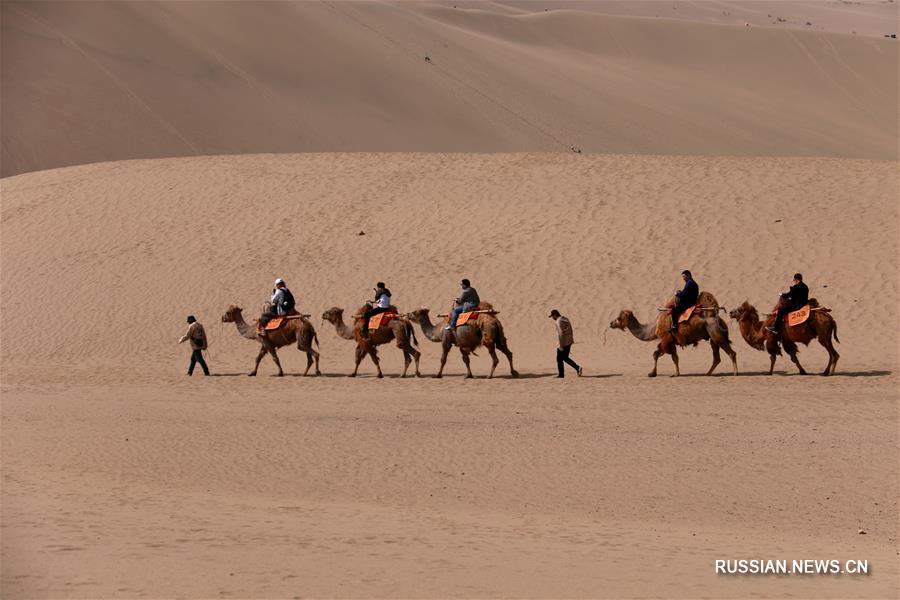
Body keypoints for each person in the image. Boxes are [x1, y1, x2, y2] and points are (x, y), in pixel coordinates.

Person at [550, 309, 582, 378]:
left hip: (563, 342)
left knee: (559, 359)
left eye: (552, 316)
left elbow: (560, 334)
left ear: (555, 315)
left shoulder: (558, 321)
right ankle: (577, 368)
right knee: (565, 358)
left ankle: (561, 374)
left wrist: (561, 345)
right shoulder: (565, 319)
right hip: (569, 341)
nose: (552, 318)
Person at [670, 269, 699, 334]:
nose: (683, 278)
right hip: (690, 300)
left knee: (674, 310)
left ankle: (675, 326)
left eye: (684, 276)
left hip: (689, 302)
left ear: (688, 275)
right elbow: (685, 292)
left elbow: (684, 294)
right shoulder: (690, 282)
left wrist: (677, 294)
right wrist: (680, 292)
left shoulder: (690, 283)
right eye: (682, 277)